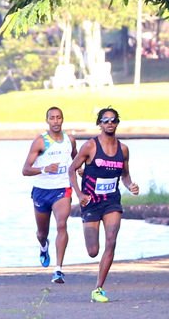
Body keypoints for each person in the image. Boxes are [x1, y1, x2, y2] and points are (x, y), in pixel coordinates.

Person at [68, 107, 139, 303]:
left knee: (111, 240)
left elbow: (125, 175)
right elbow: (72, 169)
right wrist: (79, 194)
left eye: (113, 120)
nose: (110, 123)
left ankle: (98, 288)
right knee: (93, 251)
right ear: (99, 124)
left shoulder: (123, 149)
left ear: (117, 123)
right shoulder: (90, 146)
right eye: (105, 120)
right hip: (91, 202)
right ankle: (97, 280)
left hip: (111, 201)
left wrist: (130, 186)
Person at [21, 105, 75, 281]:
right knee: (42, 233)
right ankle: (44, 246)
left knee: (61, 225)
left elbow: (76, 159)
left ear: (62, 119)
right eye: (52, 118)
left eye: (58, 117)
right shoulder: (40, 142)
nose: (56, 121)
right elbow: (25, 170)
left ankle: (58, 269)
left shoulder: (70, 140)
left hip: (62, 189)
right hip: (41, 191)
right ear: (47, 121)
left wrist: (80, 169)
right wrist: (45, 168)